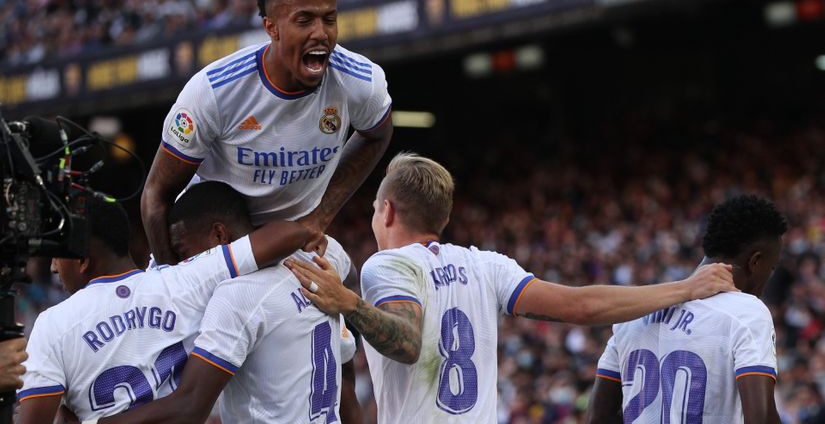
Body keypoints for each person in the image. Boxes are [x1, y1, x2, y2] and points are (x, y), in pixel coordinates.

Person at [284, 152, 737, 424]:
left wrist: (348, 302)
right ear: (444, 217)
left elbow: (406, 342)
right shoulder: (487, 265)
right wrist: (685, 287)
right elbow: (582, 305)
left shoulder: (386, 265)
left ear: (386, 211)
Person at [142, 0, 393, 265]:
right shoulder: (214, 92)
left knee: (350, 276)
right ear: (271, 27)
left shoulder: (360, 81)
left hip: (290, 241)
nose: (321, 33)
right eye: (304, 20)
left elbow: (377, 134)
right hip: (211, 246)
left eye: (329, 19)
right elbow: (156, 194)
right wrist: (171, 277)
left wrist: (320, 215)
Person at [16, 187, 323, 423]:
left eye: (57, 256)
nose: (53, 267)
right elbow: (289, 232)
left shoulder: (52, 324)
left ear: (83, 260)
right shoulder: (185, 280)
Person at [84, 181, 360, 424]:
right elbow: (350, 274)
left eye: (182, 251)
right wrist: (342, 332)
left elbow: (188, 409)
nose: (181, 265)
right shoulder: (318, 255)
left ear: (219, 235)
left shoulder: (235, 296)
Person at [586, 195, 787, 423]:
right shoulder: (747, 312)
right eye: (771, 269)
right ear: (755, 262)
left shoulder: (635, 311)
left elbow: (597, 418)